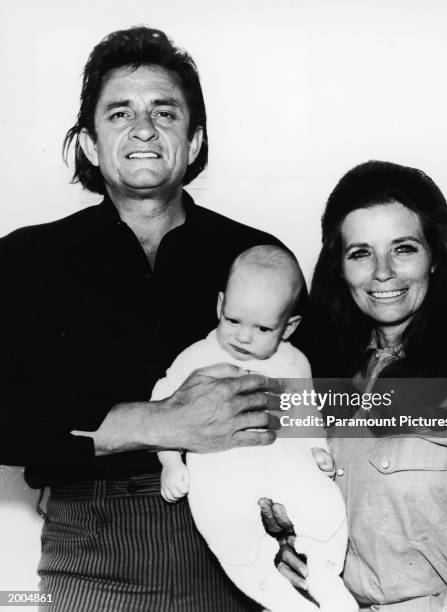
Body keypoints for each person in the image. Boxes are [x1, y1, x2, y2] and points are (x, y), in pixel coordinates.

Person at [0, 26, 293, 612]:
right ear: (89, 142)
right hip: (91, 554)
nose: (143, 129)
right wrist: (158, 423)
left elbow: (314, 397)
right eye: (119, 113)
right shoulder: (23, 259)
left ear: (194, 138)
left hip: (241, 546)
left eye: (165, 111)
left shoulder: (259, 259)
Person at [262, 161, 447, 611]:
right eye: (360, 252)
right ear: (339, 268)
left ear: (436, 256)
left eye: (403, 248)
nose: (382, 271)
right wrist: (289, 549)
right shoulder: (318, 373)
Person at [152, 244, 356, 612]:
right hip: (222, 470)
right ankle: (275, 596)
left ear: (288, 326)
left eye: (262, 328)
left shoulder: (294, 360)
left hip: (287, 462)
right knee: (226, 527)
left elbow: (306, 409)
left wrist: (318, 449)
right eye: (232, 321)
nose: (243, 337)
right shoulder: (196, 358)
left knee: (323, 505)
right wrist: (171, 462)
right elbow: (162, 410)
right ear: (219, 306)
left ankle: (325, 574)